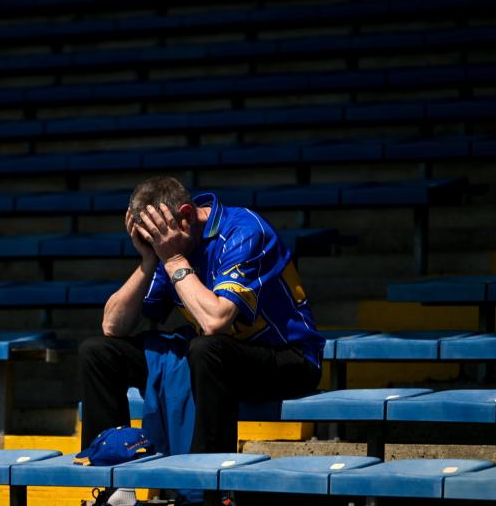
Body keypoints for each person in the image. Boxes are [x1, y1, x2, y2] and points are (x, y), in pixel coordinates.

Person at [78, 176, 325, 455]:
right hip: (214, 362)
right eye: (147, 240)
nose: (155, 245)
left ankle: (206, 484)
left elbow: (215, 321)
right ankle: (114, 484)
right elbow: (113, 326)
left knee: (207, 349)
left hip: (288, 358)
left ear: (185, 216)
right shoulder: (168, 246)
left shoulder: (243, 231)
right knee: (98, 352)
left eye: (155, 238)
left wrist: (172, 261)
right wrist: (149, 261)